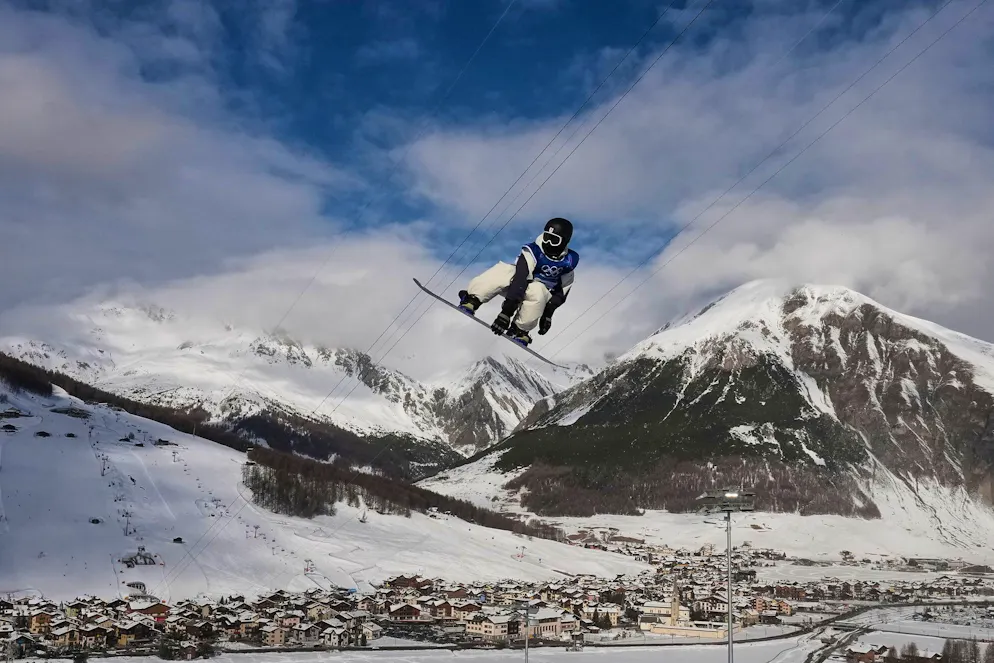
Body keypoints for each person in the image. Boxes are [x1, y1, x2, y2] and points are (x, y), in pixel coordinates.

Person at [457, 217, 578, 347]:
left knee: (539, 290)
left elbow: (562, 292)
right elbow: (521, 279)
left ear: (565, 241)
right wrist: (506, 313)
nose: (547, 242)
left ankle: (520, 330)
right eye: (546, 236)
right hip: (515, 286)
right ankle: (472, 299)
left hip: (536, 294)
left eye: (554, 240)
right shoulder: (532, 251)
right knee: (506, 270)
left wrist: (548, 315)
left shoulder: (568, 262)